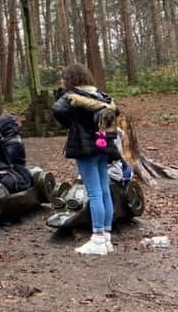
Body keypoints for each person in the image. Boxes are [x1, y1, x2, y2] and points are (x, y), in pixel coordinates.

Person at [52, 63, 120, 256]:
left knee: (94, 193)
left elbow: (58, 110)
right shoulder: (101, 96)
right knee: (104, 190)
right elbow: (116, 113)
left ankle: (97, 238)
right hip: (104, 146)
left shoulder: (72, 97)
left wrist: (73, 119)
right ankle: (106, 236)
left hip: (85, 148)